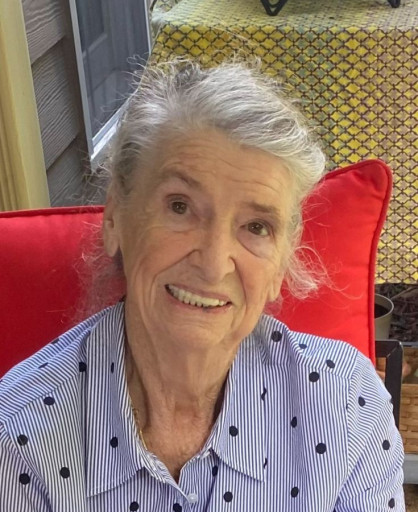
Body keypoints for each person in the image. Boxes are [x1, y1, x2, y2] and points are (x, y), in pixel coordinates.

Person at [0, 61, 404, 511]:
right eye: (180, 207)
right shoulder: (18, 440)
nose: (213, 265)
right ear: (115, 219)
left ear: (280, 265)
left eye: (256, 226)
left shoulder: (348, 405)